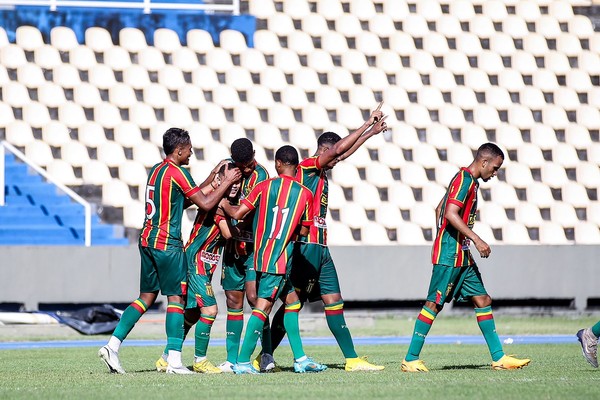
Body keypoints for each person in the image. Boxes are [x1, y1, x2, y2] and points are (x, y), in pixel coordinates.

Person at [98, 127, 241, 375]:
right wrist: (225, 181)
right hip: (167, 244)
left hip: (147, 240)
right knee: (177, 299)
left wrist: (210, 178)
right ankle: (174, 360)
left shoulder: (158, 170)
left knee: (146, 297)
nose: (191, 153)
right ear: (178, 150)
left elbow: (184, 199)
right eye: (189, 149)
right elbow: (205, 203)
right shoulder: (178, 172)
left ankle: (112, 346)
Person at [267, 103, 389, 372]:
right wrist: (367, 123)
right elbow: (337, 151)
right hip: (303, 246)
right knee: (292, 304)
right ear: (323, 151)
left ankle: (352, 359)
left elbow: (340, 153)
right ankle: (265, 354)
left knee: (334, 301)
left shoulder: (322, 172)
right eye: (334, 156)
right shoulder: (307, 167)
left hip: (321, 249)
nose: (337, 161)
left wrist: (370, 135)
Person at [401, 143, 530, 372]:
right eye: (495, 167)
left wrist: (449, 236)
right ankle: (410, 359)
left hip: (462, 254)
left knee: (483, 300)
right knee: (433, 304)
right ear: (484, 162)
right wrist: (474, 239)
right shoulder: (465, 180)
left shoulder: (467, 180)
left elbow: (440, 208)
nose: (496, 172)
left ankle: (499, 358)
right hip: (450, 255)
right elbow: (449, 212)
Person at [228, 145, 327, 374]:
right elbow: (303, 232)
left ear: (278, 163)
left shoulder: (264, 186)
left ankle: (300, 359)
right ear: (295, 164)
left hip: (265, 256)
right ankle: (243, 362)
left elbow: (238, 213)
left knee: (292, 303)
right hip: (280, 258)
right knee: (263, 308)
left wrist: (221, 204)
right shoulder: (305, 193)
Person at [155, 162, 241, 374]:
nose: (235, 185)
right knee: (210, 310)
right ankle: (200, 360)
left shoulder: (222, 199)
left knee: (192, 315)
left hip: (204, 263)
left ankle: (166, 357)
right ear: (219, 180)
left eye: (237, 181)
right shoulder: (219, 202)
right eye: (230, 179)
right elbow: (229, 234)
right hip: (196, 262)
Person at [217, 138, 273, 373]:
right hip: (232, 247)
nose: (246, 169)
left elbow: (250, 212)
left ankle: (267, 354)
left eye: (248, 164)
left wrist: (231, 216)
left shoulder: (261, 175)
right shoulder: (228, 169)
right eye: (242, 165)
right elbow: (216, 193)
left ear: (254, 156)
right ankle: (231, 359)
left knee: (254, 298)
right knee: (233, 301)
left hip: (253, 247)